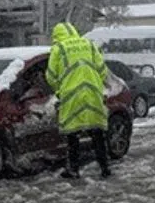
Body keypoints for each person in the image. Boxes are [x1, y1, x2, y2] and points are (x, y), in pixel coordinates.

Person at [46, 22, 112, 179]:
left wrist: (60, 89)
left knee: (72, 135)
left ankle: (73, 169)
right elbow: (102, 70)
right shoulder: (88, 44)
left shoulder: (59, 49)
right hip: (92, 93)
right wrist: (95, 83)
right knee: (97, 134)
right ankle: (105, 167)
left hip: (71, 95)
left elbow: (50, 76)